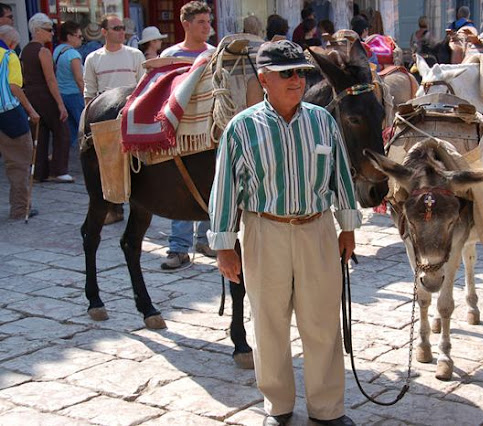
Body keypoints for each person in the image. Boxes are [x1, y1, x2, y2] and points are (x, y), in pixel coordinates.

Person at [210, 39, 359, 426]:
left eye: (301, 73)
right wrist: (225, 246)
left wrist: (348, 227)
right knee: (269, 322)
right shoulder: (241, 129)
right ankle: (277, 406)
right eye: (286, 74)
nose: (297, 80)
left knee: (323, 321)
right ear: (264, 79)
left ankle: (327, 410)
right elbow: (226, 188)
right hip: (265, 231)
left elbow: (340, 175)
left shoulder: (322, 120)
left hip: (318, 229)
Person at [159, 1, 216, 269]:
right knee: (180, 187)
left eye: (208, 21)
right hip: (181, 134)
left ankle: (206, 239)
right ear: (186, 24)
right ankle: (178, 247)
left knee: (211, 186)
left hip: (209, 133)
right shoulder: (171, 55)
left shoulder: (215, 55)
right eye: (201, 22)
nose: (208, 27)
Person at [84, 14, 145, 224]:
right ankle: (114, 208)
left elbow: (144, 84)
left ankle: (141, 204)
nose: (121, 31)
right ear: (104, 32)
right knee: (109, 163)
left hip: (131, 112)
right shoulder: (94, 58)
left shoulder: (135, 55)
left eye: (122, 28)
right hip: (105, 114)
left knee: (136, 161)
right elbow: (89, 92)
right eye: (116, 28)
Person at [21, 13, 73, 184]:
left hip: (30, 94)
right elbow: (50, 79)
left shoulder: (24, 50)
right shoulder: (42, 51)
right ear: (37, 30)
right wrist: (60, 104)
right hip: (45, 94)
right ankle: (59, 170)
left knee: (40, 133)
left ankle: (39, 172)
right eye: (48, 29)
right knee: (61, 130)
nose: (51, 33)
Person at [0, 25, 39, 219]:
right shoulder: (9, 56)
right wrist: (31, 111)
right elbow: (14, 87)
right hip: (9, 115)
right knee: (19, 163)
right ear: (12, 43)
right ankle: (20, 208)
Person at [53, 21, 84, 149]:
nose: (81, 40)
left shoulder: (57, 50)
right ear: (70, 36)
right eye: (79, 36)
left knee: (70, 129)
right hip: (75, 94)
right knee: (83, 126)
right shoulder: (73, 54)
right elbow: (79, 78)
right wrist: (85, 94)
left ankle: (62, 154)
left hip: (62, 94)